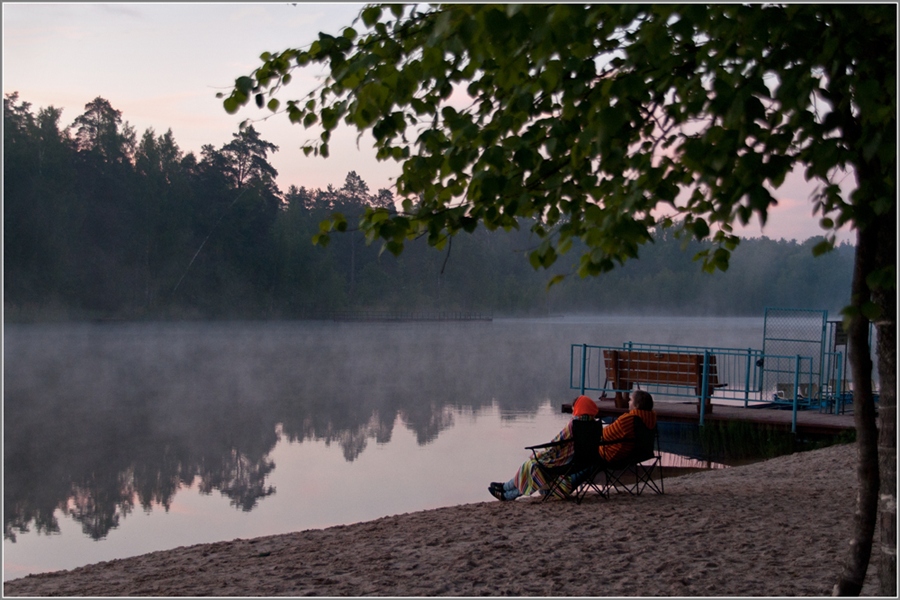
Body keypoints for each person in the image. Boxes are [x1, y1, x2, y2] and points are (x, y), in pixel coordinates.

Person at [488, 395, 599, 501]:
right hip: (579, 464)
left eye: (574, 408)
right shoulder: (595, 426)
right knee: (533, 465)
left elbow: (556, 443)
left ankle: (507, 491)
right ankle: (506, 490)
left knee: (532, 465)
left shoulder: (574, 425)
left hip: (566, 466)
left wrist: (541, 453)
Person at [597, 389, 657, 463]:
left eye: (631, 400)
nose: (628, 402)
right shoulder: (652, 419)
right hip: (640, 455)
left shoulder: (628, 420)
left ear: (637, 405)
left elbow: (604, 435)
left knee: (587, 448)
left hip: (616, 455)